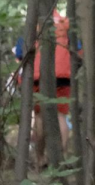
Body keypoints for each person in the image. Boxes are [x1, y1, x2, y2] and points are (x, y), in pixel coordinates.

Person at [14, 9, 76, 168]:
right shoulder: (64, 25)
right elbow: (78, 50)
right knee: (61, 116)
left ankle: (40, 158)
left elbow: (20, 54)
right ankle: (61, 158)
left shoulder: (32, 25)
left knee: (40, 116)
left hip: (37, 76)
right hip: (62, 76)